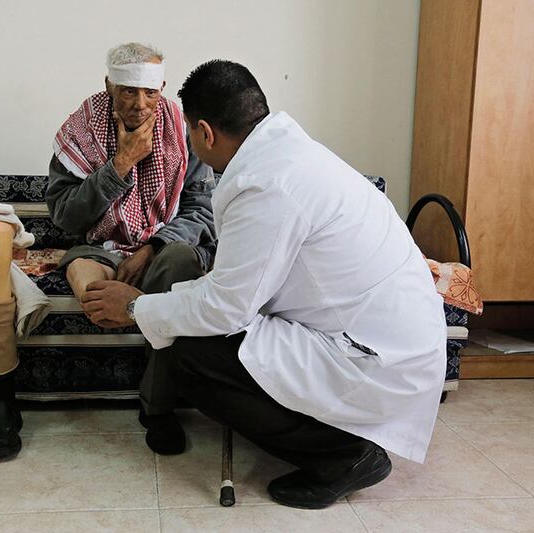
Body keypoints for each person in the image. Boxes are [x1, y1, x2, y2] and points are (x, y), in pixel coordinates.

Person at [80, 60, 447, 509]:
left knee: (191, 354)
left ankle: (344, 456)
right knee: (202, 328)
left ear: (204, 133)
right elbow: (232, 286)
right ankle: (332, 433)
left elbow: (226, 308)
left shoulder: (265, 184)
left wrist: (136, 307)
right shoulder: (285, 154)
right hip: (379, 332)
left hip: (372, 353)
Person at [46, 43, 217, 455]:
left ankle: (157, 410)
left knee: (176, 266)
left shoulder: (184, 130)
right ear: (109, 85)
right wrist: (120, 165)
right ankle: (148, 309)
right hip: (100, 245)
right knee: (92, 291)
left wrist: (152, 248)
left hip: (164, 245)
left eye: (150, 93)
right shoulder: (80, 130)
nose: (139, 105)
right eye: (127, 92)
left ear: (162, 90)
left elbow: (201, 209)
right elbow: (65, 217)